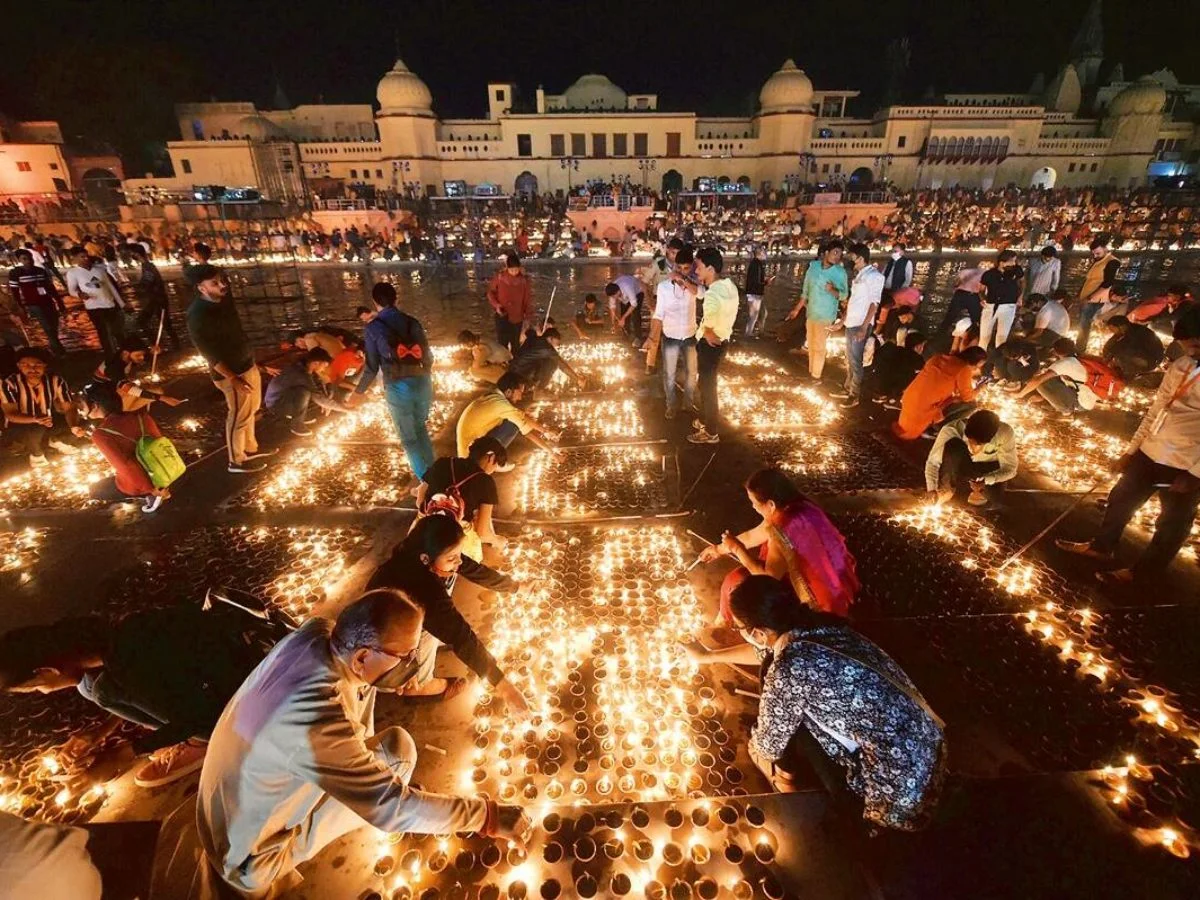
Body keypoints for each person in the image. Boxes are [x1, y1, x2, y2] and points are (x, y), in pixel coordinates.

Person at [197, 590, 531, 897]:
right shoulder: (317, 717)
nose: (411, 663)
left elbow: (356, 709)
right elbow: (390, 807)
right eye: (404, 655)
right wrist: (487, 816)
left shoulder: (320, 634)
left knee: (392, 743)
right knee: (396, 770)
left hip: (226, 808)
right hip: (247, 859)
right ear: (361, 658)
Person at [698, 576, 945, 830]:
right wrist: (705, 657)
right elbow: (765, 650)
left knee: (782, 719)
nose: (737, 632)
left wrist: (755, 744)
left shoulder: (790, 668)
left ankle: (835, 806)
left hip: (898, 790)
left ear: (758, 632)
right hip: (930, 749)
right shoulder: (819, 626)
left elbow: (769, 745)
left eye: (738, 628)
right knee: (779, 689)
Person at [0, 603, 279, 790]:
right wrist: (97, 734)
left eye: (36, 686)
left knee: (99, 690)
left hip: (248, 702)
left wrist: (126, 753)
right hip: (237, 667)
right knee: (91, 687)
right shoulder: (118, 635)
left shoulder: (128, 665)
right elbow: (160, 683)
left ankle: (199, 745)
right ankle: (191, 738)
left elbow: (197, 715)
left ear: (47, 669)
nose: (44, 691)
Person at [1057, 310, 1200, 584]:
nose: (1189, 352)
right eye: (1185, 346)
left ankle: (1144, 574)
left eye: (1194, 345)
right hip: (1152, 449)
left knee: (1171, 523)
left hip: (1186, 461)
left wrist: (1196, 474)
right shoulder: (1181, 365)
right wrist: (1131, 450)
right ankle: (1102, 547)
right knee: (1121, 499)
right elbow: (1157, 409)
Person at [366, 516, 530, 709]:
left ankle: (421, 657)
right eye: (452, 558)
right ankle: (420, 684)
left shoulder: (418, 550)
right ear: (425, 559)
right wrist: (505, 687)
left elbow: (474, 570)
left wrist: (515, 587)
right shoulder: (423, 591)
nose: (459, 561)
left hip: (390, 630)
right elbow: (461, 637)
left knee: (442, 609)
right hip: (380, 662)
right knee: (439, 628)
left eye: (459, 554)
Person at [698, 467, 858, 623]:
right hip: (835, 583)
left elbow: (768, 578)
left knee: (735, 582)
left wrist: (736, 549)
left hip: (817, 601)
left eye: (754, 502)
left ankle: (727, 626)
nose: (753, 507)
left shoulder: (782, 531)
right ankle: (723, 621)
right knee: (737, 577)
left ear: (771, 504)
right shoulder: (797, 506)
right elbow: (753, 535)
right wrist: (718, 549)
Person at [186, 264, 275, 474]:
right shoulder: (197, 314)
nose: (222, 285)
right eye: (215, 283)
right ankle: (236, 460)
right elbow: (208, 352)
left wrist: (255, 363)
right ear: (201, 288)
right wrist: (233, 378)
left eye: (221, 280)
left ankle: (250, 448)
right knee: (238, 415)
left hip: (247, 364)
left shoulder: (224, 301)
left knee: (252, 410)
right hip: (231, 374)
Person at [348, 282, 435, 479]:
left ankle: (427, 482)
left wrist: (358, 392)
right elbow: (428, 357)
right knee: (421, 428)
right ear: (396, 298)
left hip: (398, 387)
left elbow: (371, 367)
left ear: (374, 302)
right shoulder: (412, 322)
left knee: (408, 438)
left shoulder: (373, 328)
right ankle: (435, 471)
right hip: (422, 382)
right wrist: (424, 375)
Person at [80, 380, 172, 511]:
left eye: (83, 405)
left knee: (95, 489)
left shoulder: (100, 434)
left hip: (144, 484)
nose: (81, 409)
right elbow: (160, 443)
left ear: (94, 406)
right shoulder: (141, 416)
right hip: (165, 471)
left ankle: (146, 496)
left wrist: (151, 489)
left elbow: (126, 466)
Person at [418, 436, 507, 561]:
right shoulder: (485, 481)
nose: (493, 471)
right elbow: (482, 533)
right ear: (491, 458)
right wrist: (497, 540)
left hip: (424, 530)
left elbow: (420, 496)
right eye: (496, 465)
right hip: (453, 538)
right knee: (466, 559)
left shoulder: (442, 462)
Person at [687, 247, 739, 444]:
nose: (696, 271)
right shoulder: (729, 286)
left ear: (710, 268)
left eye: (699, 267)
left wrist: (706, 332)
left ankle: (711, 432)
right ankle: (704, 419)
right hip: (723, 340)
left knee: (708, 388)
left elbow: (708, 325)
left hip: (710, 345)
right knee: (706, 384)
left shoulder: (712, 295)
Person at [1, 348, 81, 466]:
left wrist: (74, 425)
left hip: (48, 420)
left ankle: (55, 440)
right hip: (20, 424)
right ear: (19, 366)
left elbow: (69, 408)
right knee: (35, 429)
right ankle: (36, 455)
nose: (32, 369)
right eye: (26, 365)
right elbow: (10, 414)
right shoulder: (9, 384)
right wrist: (35, 419)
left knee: (80, 424)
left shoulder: (55, 381)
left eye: (38, 365)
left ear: (45, 366)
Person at [925, 408, 1018, 506]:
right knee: (953, 445)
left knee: (994, 500)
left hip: (988, 468)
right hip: (961, 464)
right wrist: (932, 489)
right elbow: (933, 462)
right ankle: (946, 491)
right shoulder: (951, 430)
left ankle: (978, 490)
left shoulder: (1005, 433)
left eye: (980, 444)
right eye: (971, 442)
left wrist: (987, 479)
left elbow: (1010, 469)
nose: (974, 449)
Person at [455, 371, 559, 457]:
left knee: (516, 419)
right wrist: (551, 452)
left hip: (471, 444)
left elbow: (521, 416)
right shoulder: (501, 405)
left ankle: (492, 456)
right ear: (509, 391)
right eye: (520, 393)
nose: (520, 397)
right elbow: (528, 433)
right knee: (513, 425)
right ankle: (493, 459)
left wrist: (545, 431)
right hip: (471, 454)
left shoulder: (495, 397)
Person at [892, 347, 987, 441]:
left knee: (955, 398)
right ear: (975, 362)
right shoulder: (964, 369)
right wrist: (980, 388)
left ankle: (934, 423)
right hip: (924, 409)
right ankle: (940, 427)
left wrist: (954, 397)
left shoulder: (938, 357)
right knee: (972, 404)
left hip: (909, 397)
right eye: (979, 365)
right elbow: (967, 397)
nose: (979, 368)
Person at [785, 241, 848, 380]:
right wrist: (796, 309)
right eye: (835, 253)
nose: (837, 257)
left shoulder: (840, 273)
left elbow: (844, 295)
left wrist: (832, 290)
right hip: (811, 312)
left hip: (826, 314)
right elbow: (805, 292)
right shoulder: (813, 268)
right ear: (826, 253)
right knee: (811, 344)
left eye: (840, 254)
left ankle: (815, 376)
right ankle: (811, 372)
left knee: (819, 346)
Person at [831, 242, 884, 408]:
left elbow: (874, 303)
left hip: (860, 324)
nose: (850, 260)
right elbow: (853, 302)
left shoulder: (874, 277)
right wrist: (842, 320)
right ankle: (848, 388)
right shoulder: (860, 275)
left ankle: (854, 395)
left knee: (856, 361)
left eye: (852, 257)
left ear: (861, 258)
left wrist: (864, 327)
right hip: (851, 322)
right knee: (850, 359)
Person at [653, 245, 698, 419]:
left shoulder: (694, 285)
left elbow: (701, 295)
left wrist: (684, 281)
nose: (682, 271)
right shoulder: (664, 287)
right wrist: (652, 337)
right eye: (679, 268)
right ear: (674, 266)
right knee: (669, 373)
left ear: (692, 267)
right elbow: (659, 313)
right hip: (670, 336)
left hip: (690, 335)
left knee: (692, 373)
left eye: (687, 268)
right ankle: (671, 405)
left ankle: (688, 403)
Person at [264, 347, 349, 435]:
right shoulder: (301, 373)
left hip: (284, 396)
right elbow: (318, 397)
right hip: (276, 404)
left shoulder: (304, 367)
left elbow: (321, 387)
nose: (324, 369)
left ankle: (300, 416)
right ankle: (296, 425)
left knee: (308, 391)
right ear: (315, 363)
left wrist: (328, 400)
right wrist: (345, 409)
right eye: (324, 366)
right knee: (304, 392)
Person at [93, 336, 185, 412]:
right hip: (106, 397)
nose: (141, 357)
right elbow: (130, 389)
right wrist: (164, 399)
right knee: (154, 392)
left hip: (117, 387)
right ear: (126, 353)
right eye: (138, 355)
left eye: (142, 354)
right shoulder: (114, 368)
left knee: (154, 391)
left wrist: (153, 352)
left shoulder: (125, 357)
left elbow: (144, 357)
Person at [64, 247, 126, 356]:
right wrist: (80, 295)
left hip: (109, 304)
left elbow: (111, 287)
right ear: (74, 259)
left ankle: (125, 352)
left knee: (118, 331)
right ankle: (110, 355)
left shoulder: (99, 270)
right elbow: (71, 290)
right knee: (103, 333)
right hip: (94, 307)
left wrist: (121, 303)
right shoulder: (73, 273)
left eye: (86, 255)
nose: (86, 258)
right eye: (82, 257)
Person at [1016, 337, 1098, 417]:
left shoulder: (1064, 363)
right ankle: (1062, 404)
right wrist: (1043, 396)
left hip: (1082, 403)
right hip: (1087, 396)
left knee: (1042, 383)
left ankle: (1066, 411)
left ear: (1055, 352)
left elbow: (1038, 380)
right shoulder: (1078, 358)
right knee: (1049, 379)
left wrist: (1019, 394)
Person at [7, 248, 66, 356]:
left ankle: (54, 346)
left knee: (54, 325)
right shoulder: (15, 273)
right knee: (47, 327)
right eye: (24, 259)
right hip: (33, 304)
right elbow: (15, 292)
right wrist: (20, 307)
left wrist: (59, 301)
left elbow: (50, 287)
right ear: (19, 260)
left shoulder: (40, 271)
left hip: (47, 301)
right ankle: (59, 351)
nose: (28, 261)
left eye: (30, 258)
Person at [127, 244, 179, 350]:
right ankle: (166, 345)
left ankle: (165, 345)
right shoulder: (147, 266)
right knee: (163, 323)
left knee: (160, 323)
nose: (131, 255)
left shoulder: (148, 267)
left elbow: (148, 282)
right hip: (156, 299)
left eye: (132, 253)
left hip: (157, 300)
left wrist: (136, 286)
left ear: (136, 254)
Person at [1075, 238, 1120, 353]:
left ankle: (1080, 349)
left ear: (1105, 248)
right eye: (1094, 253)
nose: (1095, 256)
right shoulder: (1099, 260)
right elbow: (1089, 280)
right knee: (1083, 322)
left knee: (1084, 324)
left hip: (1094, 300)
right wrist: (1080, 294)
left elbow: (1107, 283)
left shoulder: (1112, 262)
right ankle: (1080, 346)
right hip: (1087, 297)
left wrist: (1089, 298)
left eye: (1098, 253)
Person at [507, 327, 586, 390]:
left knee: (545, 360)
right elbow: (561, 364)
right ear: (550, 338)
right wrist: (577, 378)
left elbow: (530, 333)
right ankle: (540, 390)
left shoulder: (534, 338)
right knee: (552, 362)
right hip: (522, 374)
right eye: (556, 342)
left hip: (513, 368)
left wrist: (532, 330)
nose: (557, 346)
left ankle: (530, 385)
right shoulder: (546, 349)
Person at [977, 250, 1024, 350]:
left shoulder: (1017, 271)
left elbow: (1023, 282)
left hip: (1009, 306)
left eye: (1015, 261)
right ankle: (980, 356)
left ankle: (999, 360)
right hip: (990, 305)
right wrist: (982, 299)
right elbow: (981, 289)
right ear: (1002, 262)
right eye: (1011, 261)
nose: (1014, 264)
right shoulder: (989, 274)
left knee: (1002, 336)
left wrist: (1020, 296)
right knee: (984, 335)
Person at [487, 252, 532, 354]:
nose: (514, 272)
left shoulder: (524, 281)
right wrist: (496, 305)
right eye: (511, 270)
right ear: (507, 268)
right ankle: (503, 364)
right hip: (502, 315)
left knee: (515, 343)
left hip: (517, 316)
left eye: (516, 269)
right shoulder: (499, 278)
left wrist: (528, 317)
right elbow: (490, 293)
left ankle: (514, 365)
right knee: (502, 343)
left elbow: (527, 300)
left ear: (520, 268)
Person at [868, 331, 927, 406]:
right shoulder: (917, 359)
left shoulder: (895, 349)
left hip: (874, 384)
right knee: (919, 375)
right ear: (918, 346)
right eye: (923, 346)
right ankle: (895, 399)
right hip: (887, 390)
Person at [1101, 315, 1165, 381]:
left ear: (1122, 326)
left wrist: (1108, 358)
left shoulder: (1136, 334)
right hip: (1143, 354)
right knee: (1119, 354)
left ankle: (1127, 379)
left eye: (1112, 329)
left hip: (1151, 360)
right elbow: (1113, 342)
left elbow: (1121, 347)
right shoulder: (1128, 329)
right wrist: (1106, 352)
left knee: (1122, 356)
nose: (1111, 331)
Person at [938, 264, 984, 334]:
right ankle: (975, 335)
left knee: (950, 317)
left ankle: (940, 334)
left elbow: (956, 284)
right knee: (976, 318)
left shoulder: (963, 271)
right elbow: (982, 288)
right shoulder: (984, 272)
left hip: (960, 294)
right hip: (973, 295)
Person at [605, 273, 646, 343]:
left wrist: (623, 318)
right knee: (623, 314)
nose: (614, 298)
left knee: (635, 315)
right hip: (624, 298)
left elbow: (634, 304)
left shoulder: (627, 287)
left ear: (618, 291)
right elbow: (612, 308)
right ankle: (627, 335)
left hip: (637, 293)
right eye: (612, 297)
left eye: (614, 296)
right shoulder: (612, 292)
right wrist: (613, 323)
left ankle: (638, 337)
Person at [743, 244, 772, 338]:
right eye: (763, 252)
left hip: (756, 293)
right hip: (754, 293)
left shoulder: (757, 264)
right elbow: (756, 281)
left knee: (763, 312)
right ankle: (748, 335)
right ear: (759, 254)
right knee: (753, 316)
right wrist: (766, 282)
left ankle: (761, 332)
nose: (765, 254)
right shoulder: (756, 265)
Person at [1128, 283, 1193, 326]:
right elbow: (1165, 313)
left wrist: (1152, 320)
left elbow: (1172, 316)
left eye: (1170, 295)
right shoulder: (1173, 302)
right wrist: (1150, 320)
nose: (1168, 297)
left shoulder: (1187, 305)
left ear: (1177, 296)